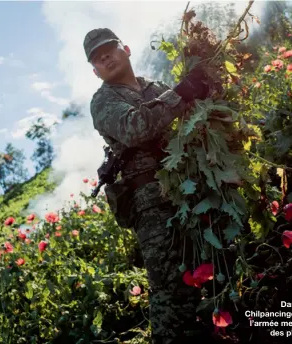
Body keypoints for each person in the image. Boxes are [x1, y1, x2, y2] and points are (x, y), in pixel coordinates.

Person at [84, 28, 214, 343]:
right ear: (94, 70)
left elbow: (194, 117)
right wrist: (182, 92)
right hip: (153, 205)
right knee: (171, 292)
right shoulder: (103, 100)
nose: (104, 57)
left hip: (191, 189)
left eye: (108, 48)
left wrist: (206, 83)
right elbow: (136, 128)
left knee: (211, 270)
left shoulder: (155, 87)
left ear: (126, 49)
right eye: (96, 58)